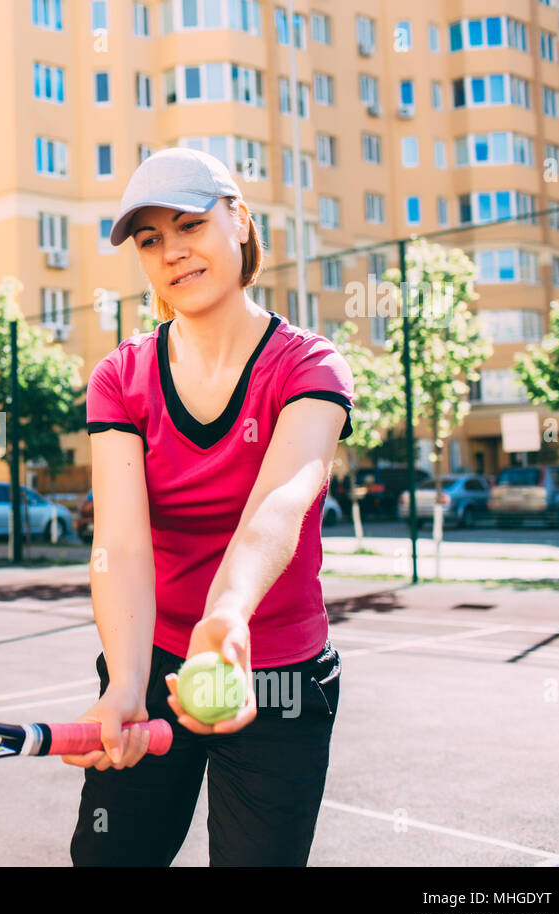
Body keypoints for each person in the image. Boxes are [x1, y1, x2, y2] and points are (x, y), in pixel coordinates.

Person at [66, 148, 354, 866]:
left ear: (240, 222)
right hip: (152, 657)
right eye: (150, 239)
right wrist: (128, 685)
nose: (172, 252)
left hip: (280, 674)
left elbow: (283, 501)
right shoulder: (121, 377)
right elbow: (122, 543)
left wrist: (225, 618)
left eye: (189, 225)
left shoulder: (309, 365)